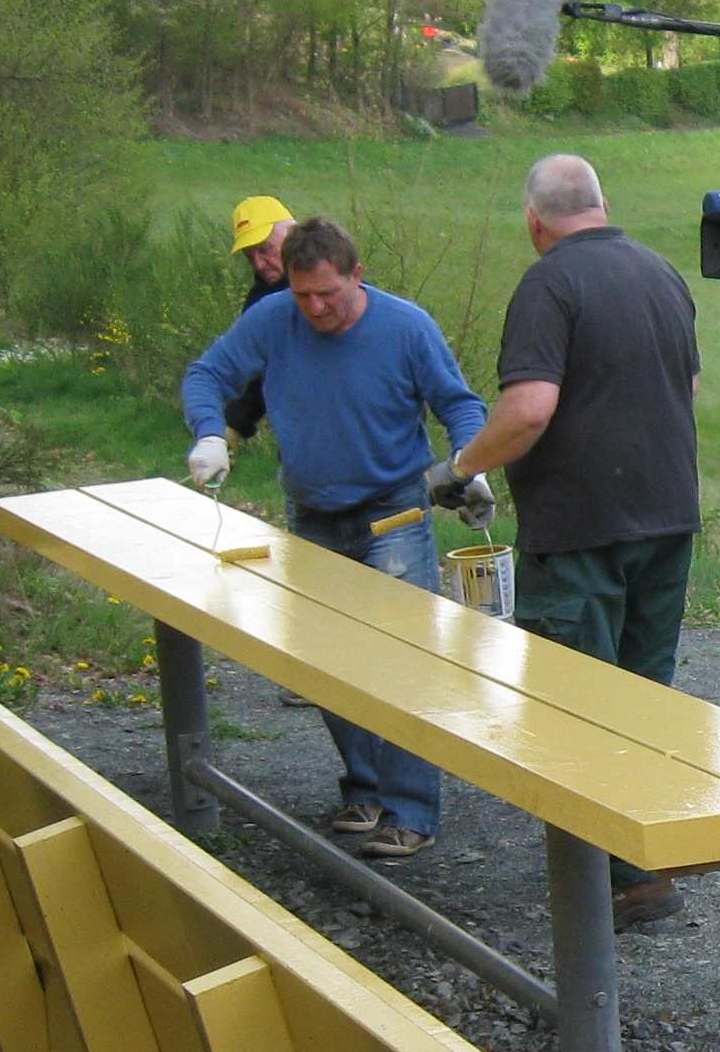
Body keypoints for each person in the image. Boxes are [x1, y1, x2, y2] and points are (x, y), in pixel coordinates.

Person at [180, 217, 491, 864]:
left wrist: (470, 463)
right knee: (324, 660)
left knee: (401, 659)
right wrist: (211, 433)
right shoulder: (274, 320)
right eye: (303, 296)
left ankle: (411, 811)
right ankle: (367, 786)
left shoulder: (406, 327)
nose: (316, 308)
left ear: (357, 275)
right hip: (314, 513)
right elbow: (207, 373)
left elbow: (459, 404)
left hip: (394, 512)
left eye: (329, 294)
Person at [449, 154, 704, 924]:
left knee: (575, 703)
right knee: (641, 694)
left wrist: (462, 466)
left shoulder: (549, 283)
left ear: (536, 221)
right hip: (667, 518)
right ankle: (641, 867)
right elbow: (685, 388)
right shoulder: (660, 273)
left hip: (583, 527)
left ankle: (596, 880)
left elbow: (529, 409)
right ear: (602, 202)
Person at [217, 194, 294, 444]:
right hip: (300, 446)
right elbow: (262, 372)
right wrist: (233, 426)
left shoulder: (337, 282)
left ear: (292, 234)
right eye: (250, 256)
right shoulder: (259, 303)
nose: (259, 264)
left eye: (265, 250)